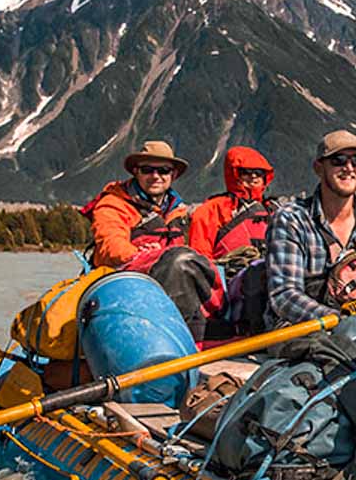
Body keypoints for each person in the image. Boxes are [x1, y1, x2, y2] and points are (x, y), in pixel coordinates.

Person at [263, 129, 356, 325]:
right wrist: (341, 320)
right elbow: (284, 295)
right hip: (305, 329)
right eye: (338, 160)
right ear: (318, 168)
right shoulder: (291, 220)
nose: (349, 167)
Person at [80, 140, 218, 336]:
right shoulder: (113, 204)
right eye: (147, 170)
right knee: (179, 261)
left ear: (173, 175)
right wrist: (143, 255)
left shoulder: (178, 210)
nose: (156, 176)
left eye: (163, 170)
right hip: (125, 292)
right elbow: (110, 247)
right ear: (136, 172)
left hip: (173, 290)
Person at [187, 146, 276, 269]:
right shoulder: (211, 210)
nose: (254, 176)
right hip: (226, 278)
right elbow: (200, 255)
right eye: (246, 172)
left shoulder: (272, 210)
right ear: (234, 173)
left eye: (259, 172)